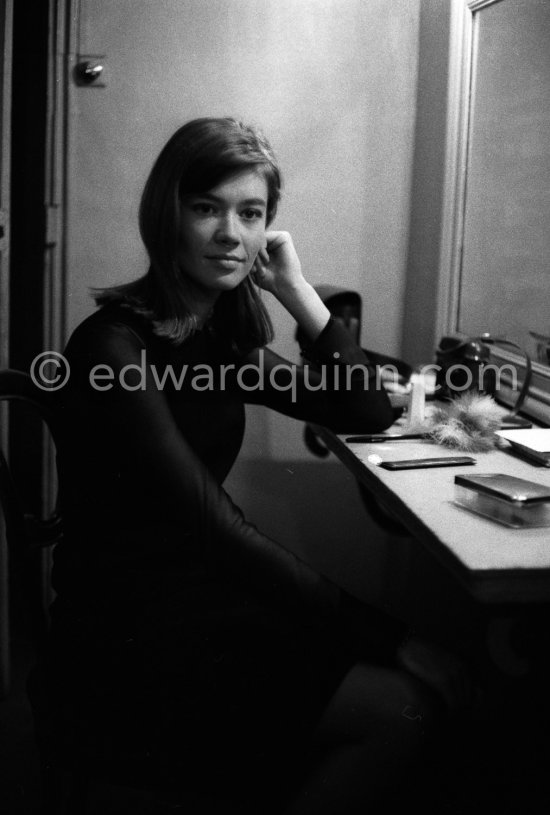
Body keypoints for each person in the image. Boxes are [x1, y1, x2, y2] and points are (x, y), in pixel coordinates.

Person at [43, 117, 463, 813]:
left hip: (197, 602)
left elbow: (362, 411)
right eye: (206, 208)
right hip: (129, 634)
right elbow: (216, 527)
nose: (229, 234)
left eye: (251, 213)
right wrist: (394, 635)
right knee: (403, 707)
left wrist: (296, 292)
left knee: (403, 697)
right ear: (168, 215)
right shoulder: (115, 347)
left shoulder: (213, 339)